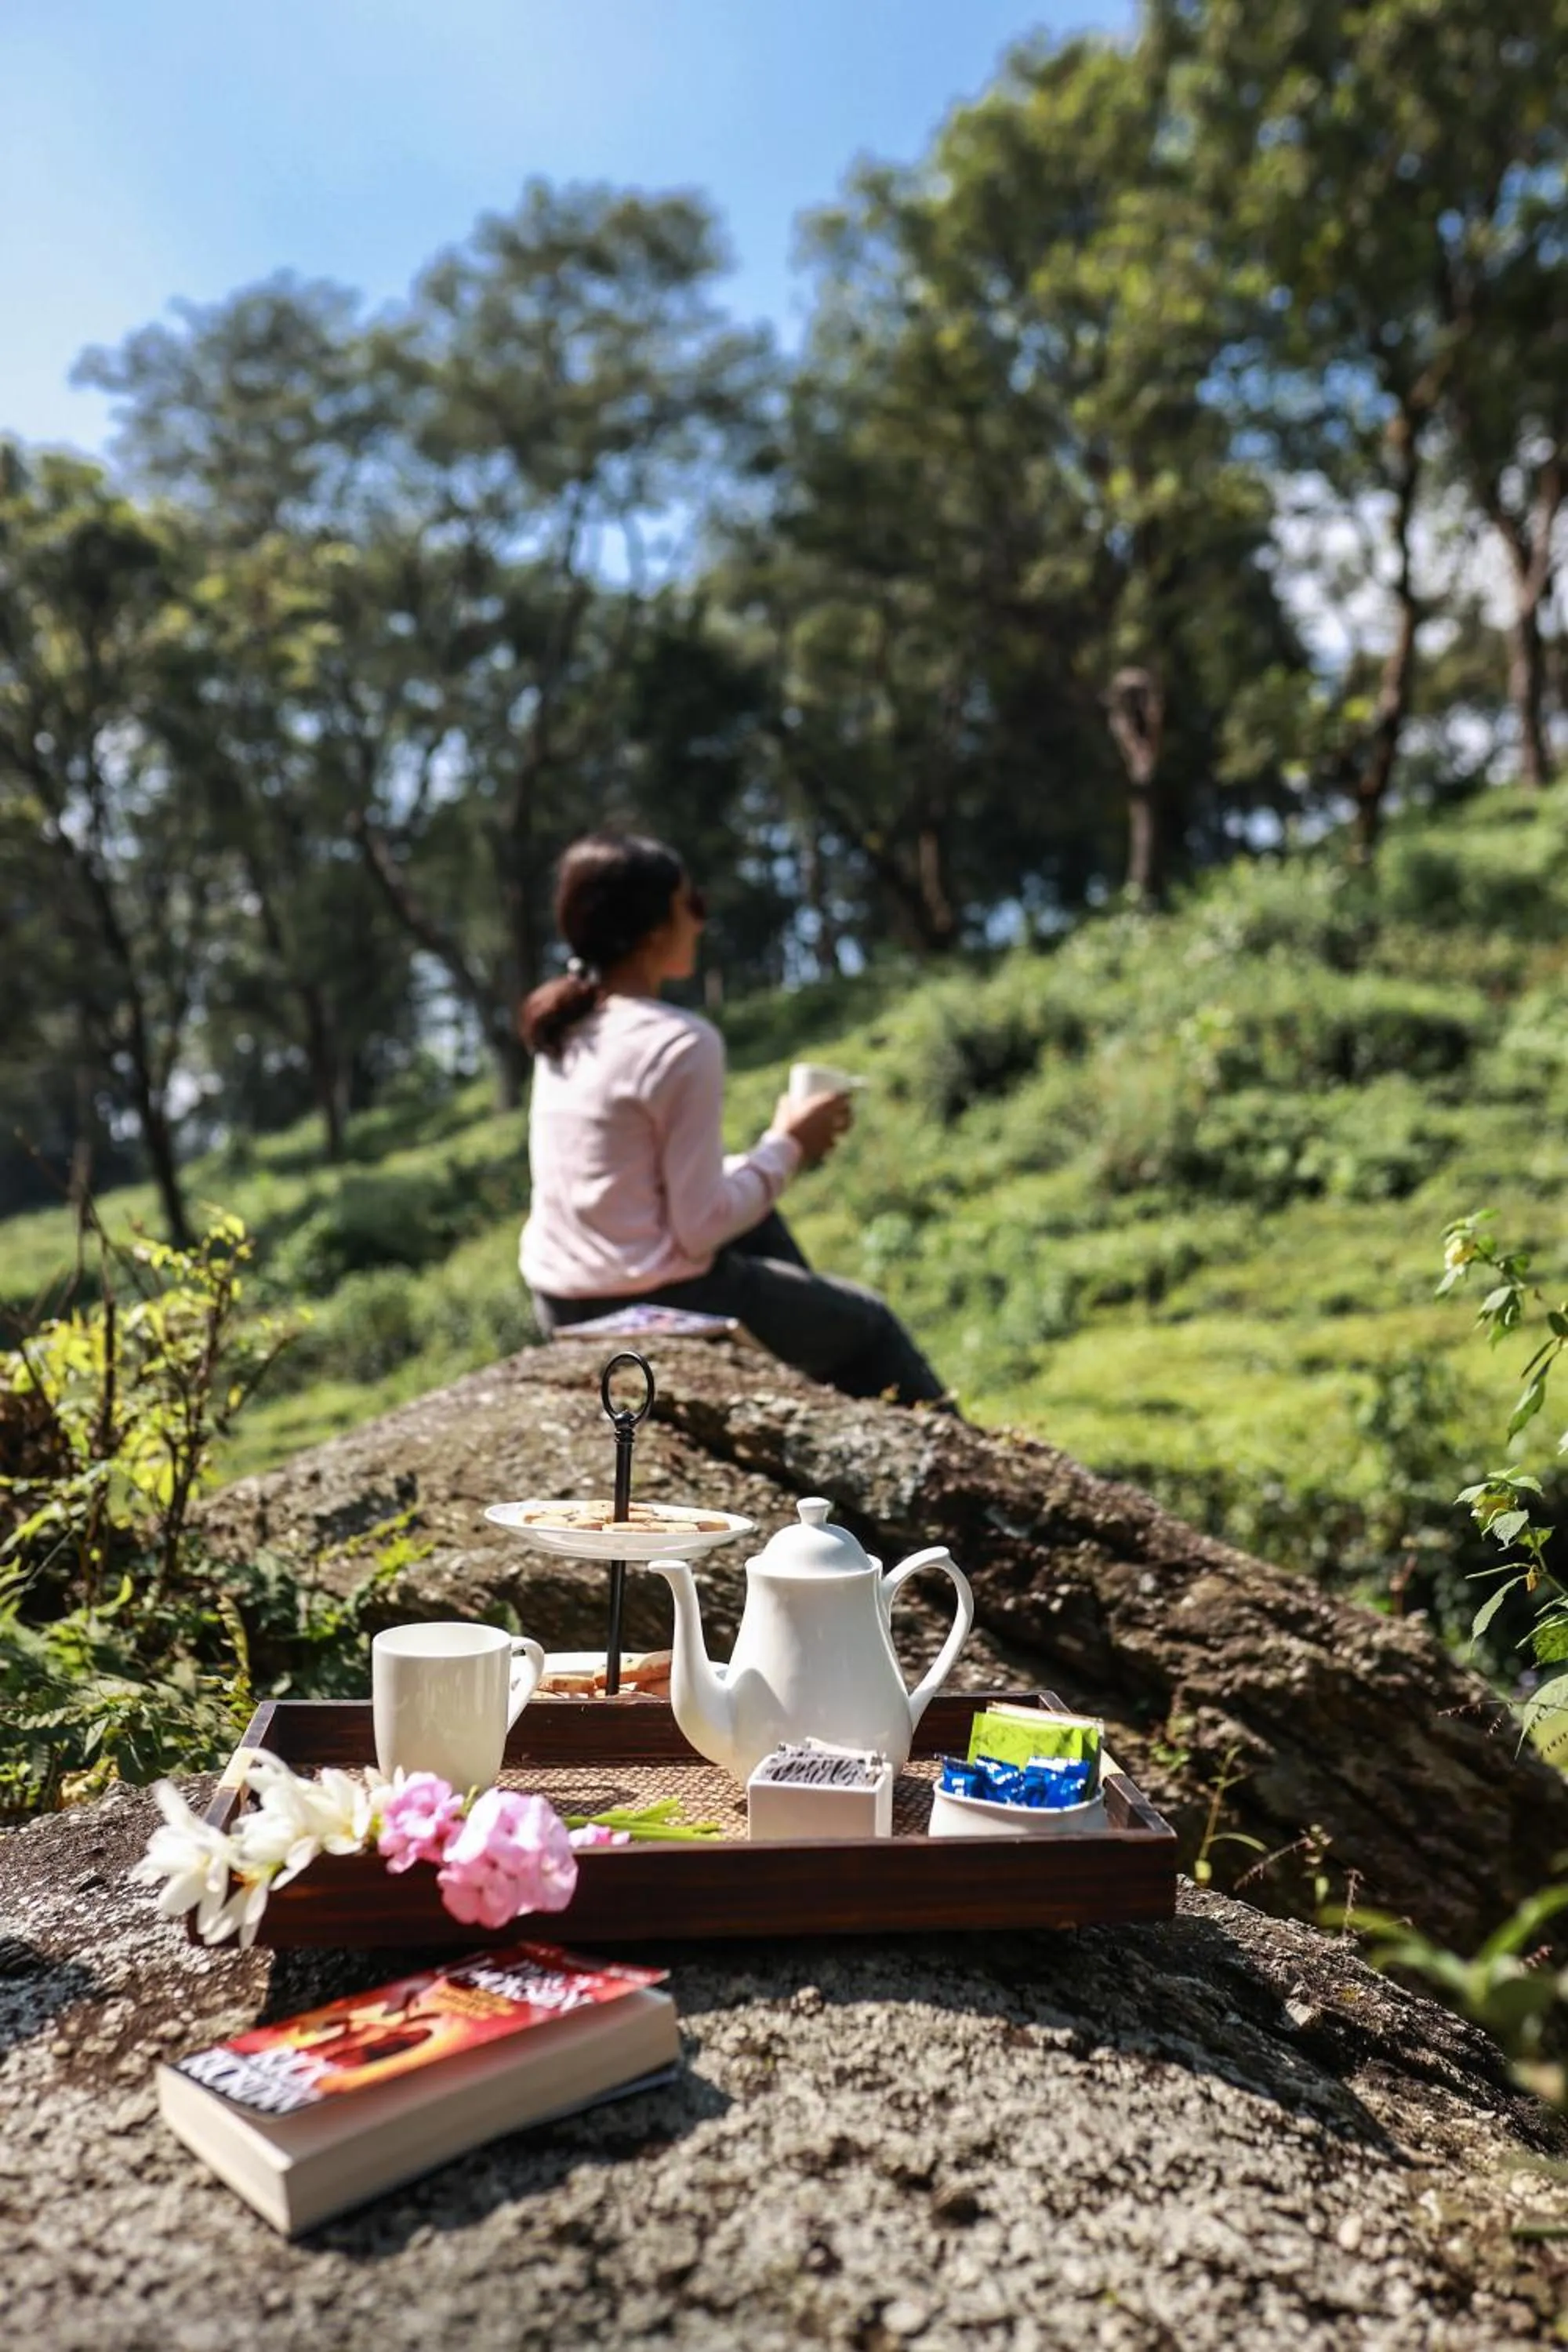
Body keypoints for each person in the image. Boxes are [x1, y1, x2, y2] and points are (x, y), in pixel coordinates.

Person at [518, 832, 949, 1407]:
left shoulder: (564, 1029)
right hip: (652, 1301)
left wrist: (769, 1157)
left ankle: (812, 1391)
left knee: (760, 1221)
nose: (700, 923)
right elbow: (700, 1227)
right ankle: (955, 1472)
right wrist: (792, 1143)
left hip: (558, 1297)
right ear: (652, 933)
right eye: (690, 906)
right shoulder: (679, 1043)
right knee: (869, 1322)